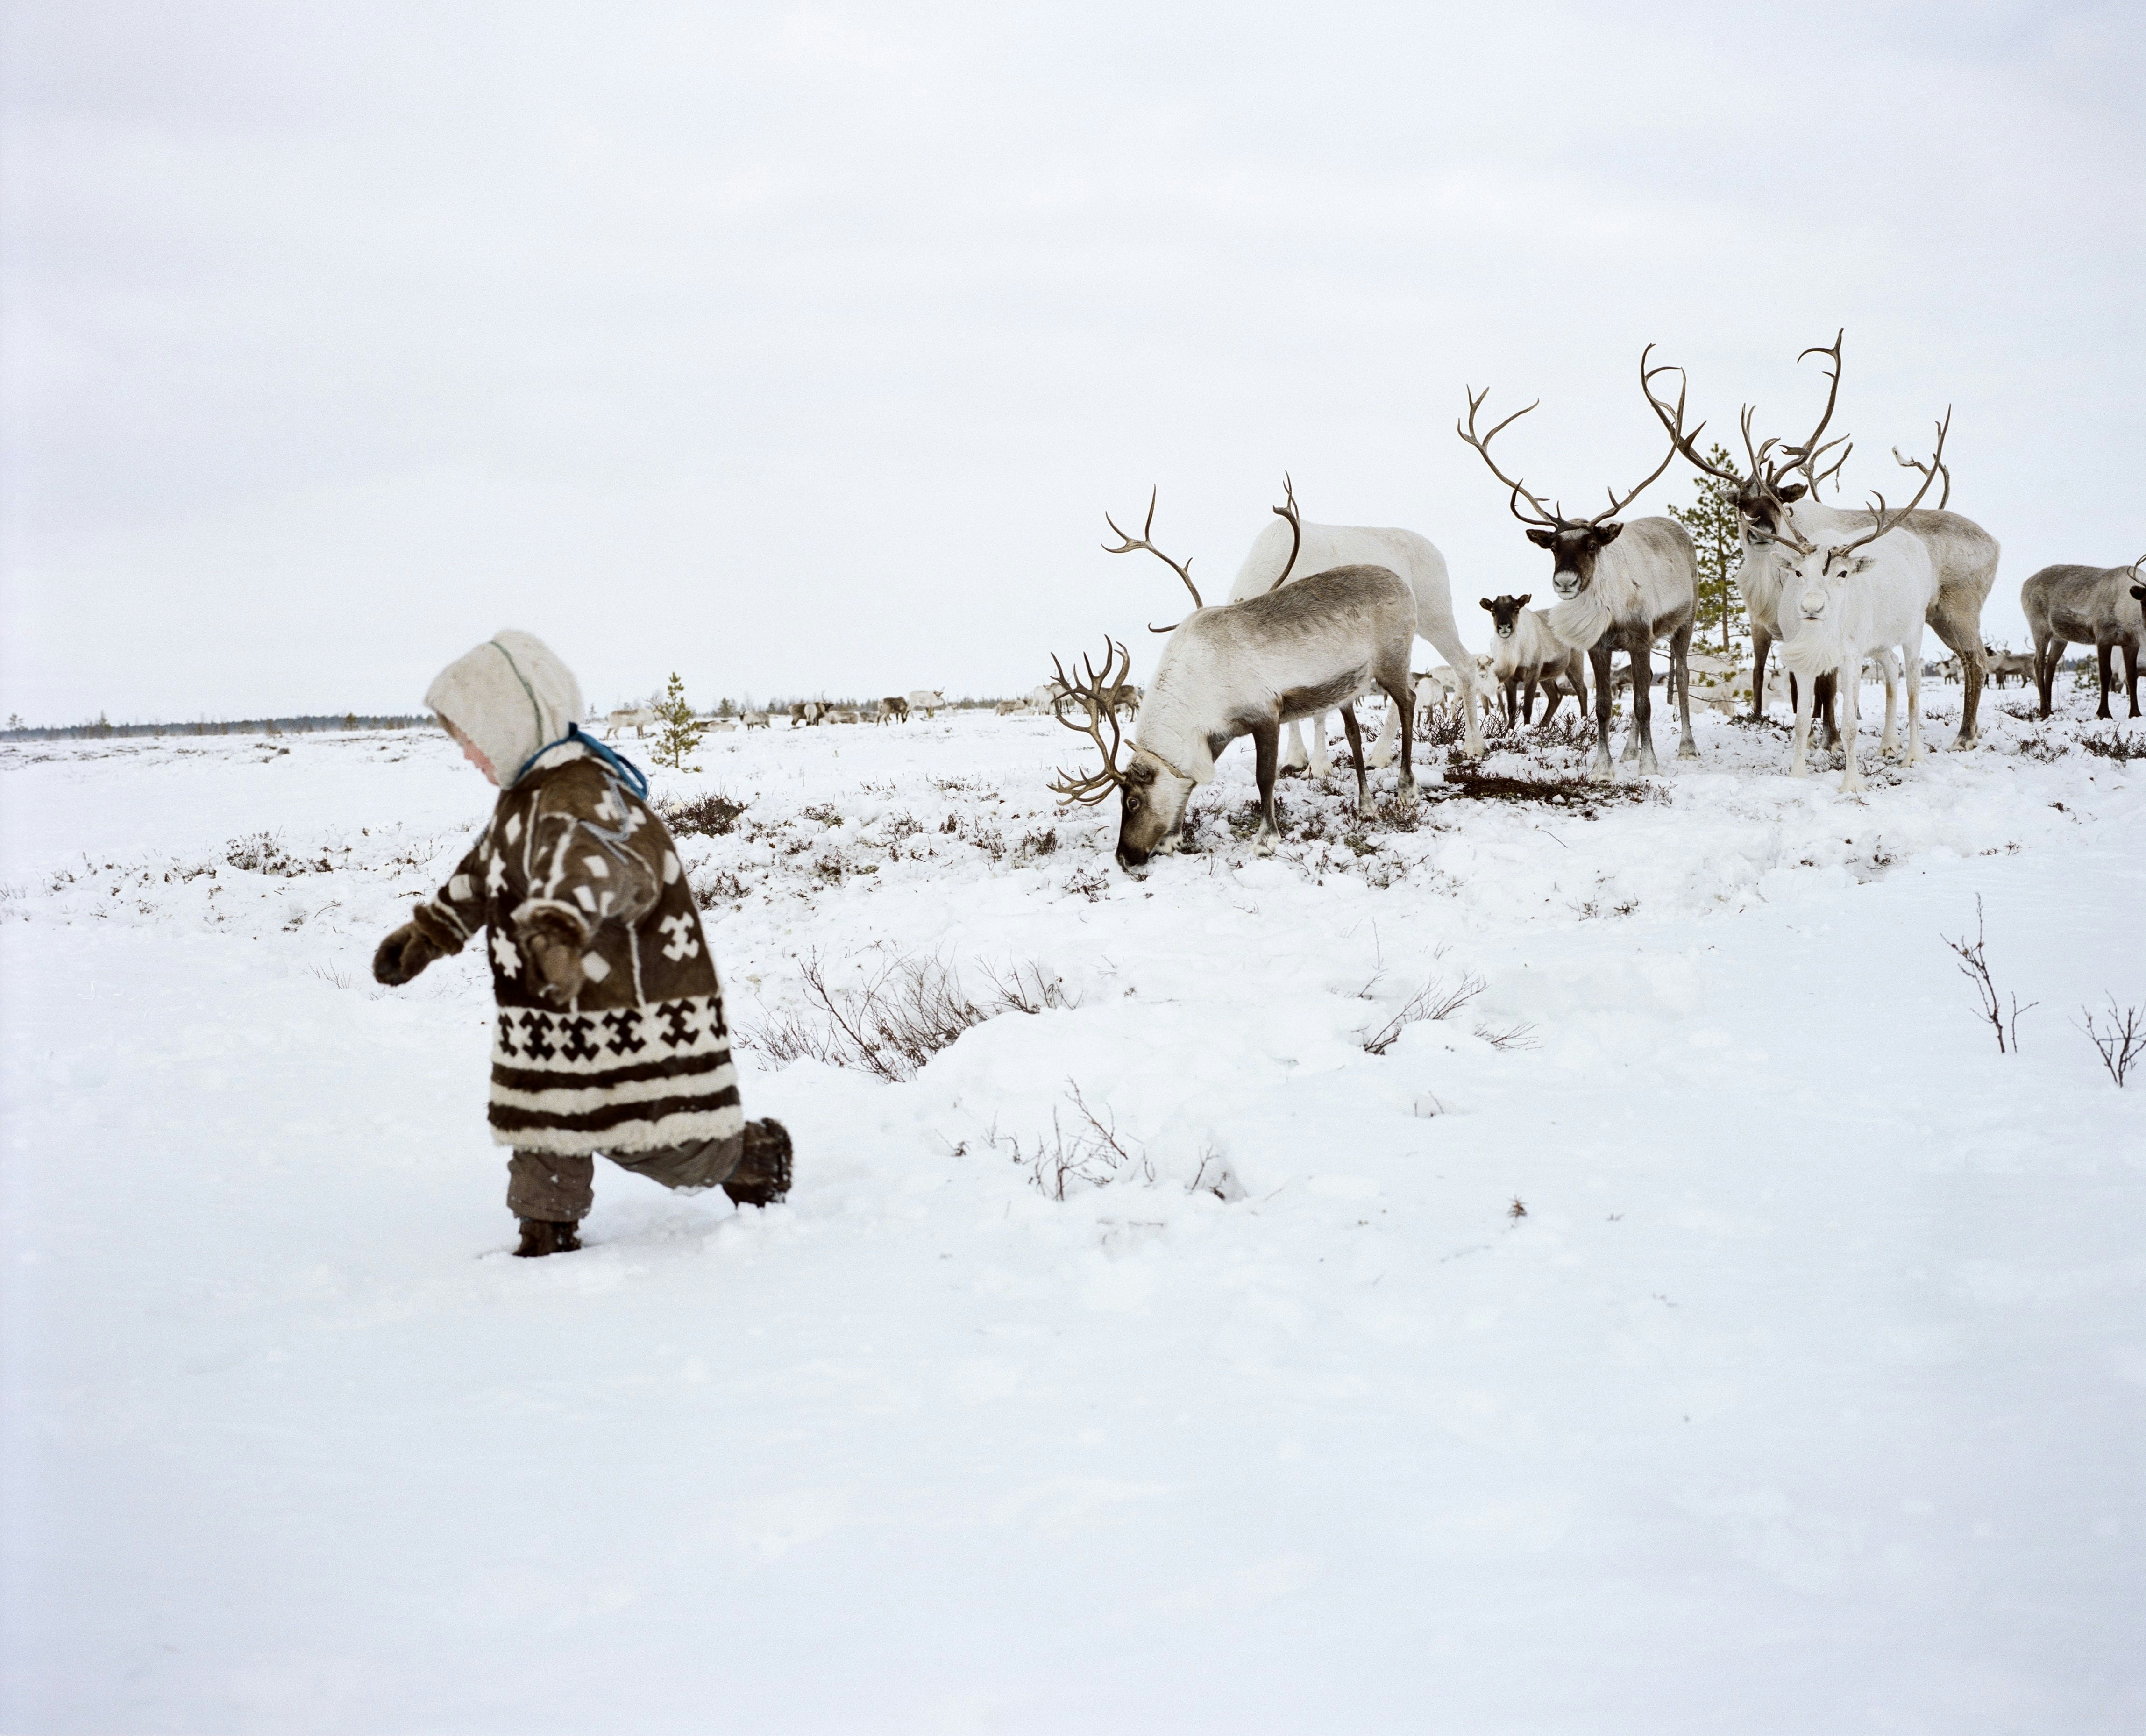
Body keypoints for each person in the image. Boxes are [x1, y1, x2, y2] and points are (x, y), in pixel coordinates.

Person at [372, 631, 790, 1255]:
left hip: (623, 1003)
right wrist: (432, 932)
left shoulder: (589, 795)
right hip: (545, 999)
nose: (467, 756)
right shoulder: (522, 801)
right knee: (543, 1113)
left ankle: (751, 1156)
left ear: (514, 723)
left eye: (471, 740)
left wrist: (560, 929)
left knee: (659, 1142)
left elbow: (597, 871)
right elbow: (486, 871)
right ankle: (546, 1229)